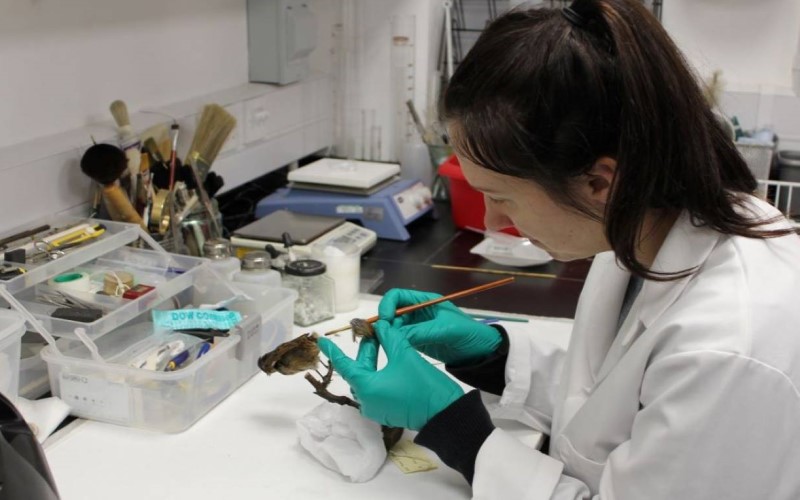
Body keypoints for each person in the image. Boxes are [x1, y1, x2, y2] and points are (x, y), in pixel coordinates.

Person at [318, 0, 800, 498]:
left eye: (501, 197)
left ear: (599, 182)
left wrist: (451, 423)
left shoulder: (730, 345)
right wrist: (494, 355)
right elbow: (611, 393)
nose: (490, 221)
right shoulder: (641, 228)